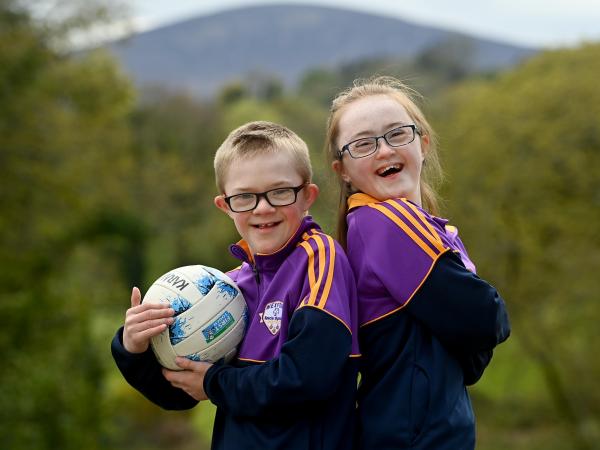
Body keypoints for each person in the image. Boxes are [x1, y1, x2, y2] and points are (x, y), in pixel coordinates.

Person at [111, 121, 360, 450]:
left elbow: (306, 380)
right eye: (245, 197)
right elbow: (180, 392)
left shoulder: (321, 261)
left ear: (307, 196)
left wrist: (215, 383)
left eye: (280, 192)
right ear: (225, 205)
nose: (263, 207)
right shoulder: (225, 292)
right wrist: (132, 348)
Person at [325, 76, 511, 450]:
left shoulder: (417, 226)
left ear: (423, 143)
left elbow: (470, 361)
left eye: (397, 134)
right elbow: (487, 317)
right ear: (342, 170)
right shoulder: (385, 221)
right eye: (363, 143)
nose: (383, 151)